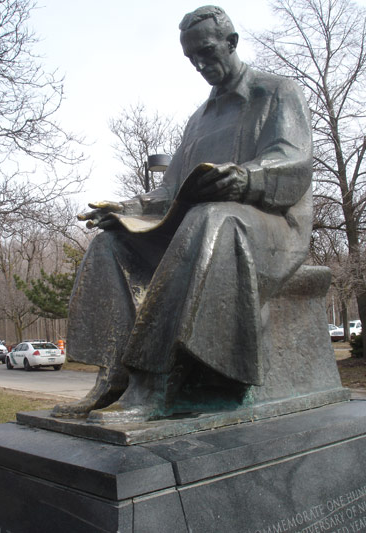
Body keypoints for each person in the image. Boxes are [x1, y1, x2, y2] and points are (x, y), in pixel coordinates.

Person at [52, 5, 312, 423]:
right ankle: (113, 377)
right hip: (202, 228)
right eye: (191, 59)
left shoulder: (278, 91)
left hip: (274, 228)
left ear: (232, 43)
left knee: (213, 218)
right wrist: (128, 209)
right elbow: (171, 189)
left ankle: (155, 386)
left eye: (207, 52)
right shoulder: (200, 120)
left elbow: (294, 161)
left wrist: (246, 179)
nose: (200, 65)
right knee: (110, 244)